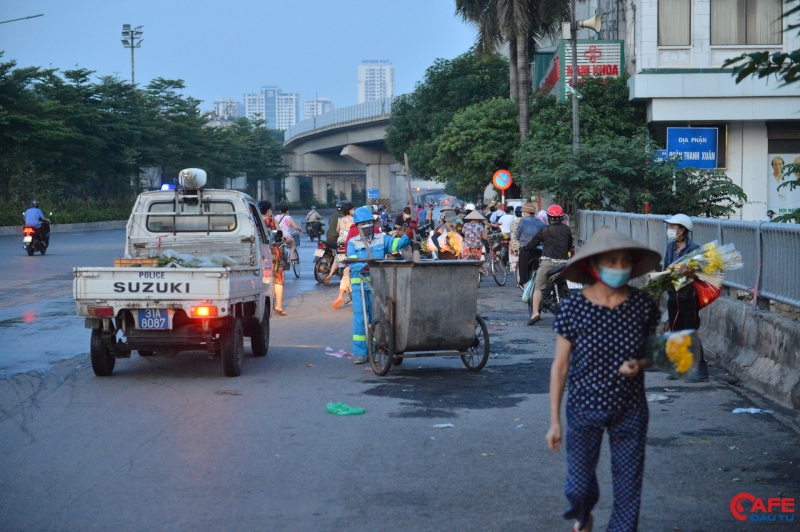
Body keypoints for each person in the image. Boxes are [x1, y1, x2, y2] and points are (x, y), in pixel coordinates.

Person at [546, 227, 662, 532]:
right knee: (578, 487)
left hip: (630, 409)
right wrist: (555, 421)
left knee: (628, 485)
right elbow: (560, 367)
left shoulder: (642, 305)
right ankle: (584, 516)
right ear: (593, 266)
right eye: (611, 261)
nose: (620, 267)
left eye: (625, 261)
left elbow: (654, 353)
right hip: (584, 407)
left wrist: (640, 363)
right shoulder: (573, 307)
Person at [347, 206, 414, 364]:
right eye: (363, 223)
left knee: (379, 317)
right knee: (361, 319)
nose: (367, 226)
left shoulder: (382, 238)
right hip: (360, 285)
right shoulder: (353, 242)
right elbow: (352, 261)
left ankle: (380, 346)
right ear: (357, 226)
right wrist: (363, 266)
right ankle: (360, 352)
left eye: (369, 222)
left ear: (373, 222)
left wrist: (409, 233)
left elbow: (398, 243)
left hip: (379, 285)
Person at [663, 214, 708, 383]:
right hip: (673, 296)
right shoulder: (670, 247)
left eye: (673, 227)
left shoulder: (695, 250)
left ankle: (701, 371)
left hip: (689, 296)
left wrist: (690, 274)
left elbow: (703, 275)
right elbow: (666, 268)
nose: (670, 230)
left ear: (682, 230)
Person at [524, 205, 573, 326]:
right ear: (561, 217)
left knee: (538, 286)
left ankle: (535, 313)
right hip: (564, 263)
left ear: (549, 217)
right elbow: (569, 245)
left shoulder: (545, 230)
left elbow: (533, 243)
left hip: (548, 263)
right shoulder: (567, 230)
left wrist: (525, 249)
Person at [259, 201, 286, 316]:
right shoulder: (272, 220)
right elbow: (280, 235)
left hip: (259, 252)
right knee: (278, 278)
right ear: (269, 210)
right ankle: (278, 306)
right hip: (273, 253)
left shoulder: (255, 220)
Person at [515, 202, 546, 289]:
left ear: (525, 212)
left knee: (523, 269)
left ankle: (525, 288)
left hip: (525, 249)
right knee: (538, 268)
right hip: (539, 249)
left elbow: (517, 235)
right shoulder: (540, 222)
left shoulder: (523, 221)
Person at [330, 203, 355, 305]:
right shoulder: (353, 220)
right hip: (350, 242)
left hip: (340, 242)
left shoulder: (341, 219)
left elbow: (337, 230)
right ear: (350, 210)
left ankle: (331, 273)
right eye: (352, 209)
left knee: (338, 257)